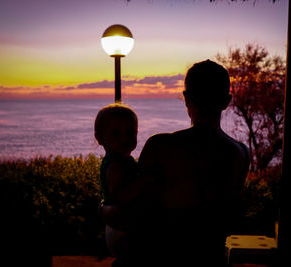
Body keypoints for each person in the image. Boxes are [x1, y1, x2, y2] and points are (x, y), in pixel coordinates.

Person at [126, 59, 250, 267]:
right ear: (226, 101)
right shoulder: (241, 153)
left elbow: (138, 214)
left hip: (163, 258)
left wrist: (104, 209)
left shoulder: (160, 146)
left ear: (186, 98)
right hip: (212, 259)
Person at [94, 103, 149, 264]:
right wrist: (143, 180)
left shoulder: (122, 160)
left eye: (130, 133)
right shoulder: (115, 165)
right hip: (121, 230)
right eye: (116, 133)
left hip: (120, 225)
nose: (124, 138)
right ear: (99, 137)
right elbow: (120, 195)